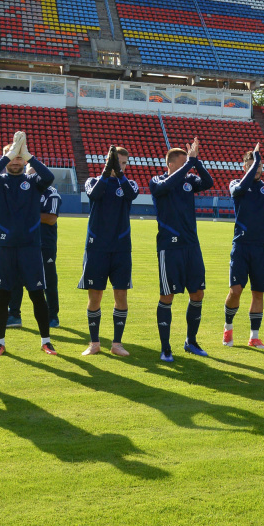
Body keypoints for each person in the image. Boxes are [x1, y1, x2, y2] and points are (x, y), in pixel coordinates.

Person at [0, 133, 57, 356]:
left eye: (19, 158)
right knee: (3, 294)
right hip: (4, 247)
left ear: (23, 161)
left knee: (37, 294)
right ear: (6, 159)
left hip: (30, 247)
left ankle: (45, 340)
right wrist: (9, 154)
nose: (16, 161)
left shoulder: (33, 182)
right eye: (12, 157)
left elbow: (49, 176)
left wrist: (28, 155)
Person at [150, 137, 214, 361]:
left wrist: (196, 162)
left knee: (197, 293)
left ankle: (191, 341)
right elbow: (166, 186)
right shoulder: (157, 181)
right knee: (167, 295)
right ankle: (165, 347)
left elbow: (208, 183)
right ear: (171, 163)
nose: (187, 165)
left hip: (191, 246)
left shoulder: (189, 181)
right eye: (184, 161)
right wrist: (191, 162)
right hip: (170, 247)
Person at [224, 139, 264, 349]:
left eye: (259, 165)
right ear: (244, 166)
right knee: (236, 291)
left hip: (261, 248)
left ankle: (254, 336)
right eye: (252, 165)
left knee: (258, 292)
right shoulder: (236, 184)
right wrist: (257, 157)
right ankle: (228, 328)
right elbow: (241, 187)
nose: (257, 168)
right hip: (241, 246)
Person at [79, 146, 137, 356]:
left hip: (121, 248)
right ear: (106, 161)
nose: (117, 166)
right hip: (96, 248)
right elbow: (94, 195)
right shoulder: (93, 181)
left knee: (120, 294)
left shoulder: (129, 183)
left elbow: (131, 195)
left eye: (122, 163)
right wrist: (107, 171)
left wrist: (119, 174)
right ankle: (94, 343)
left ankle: (117, 344)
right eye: (115, 161)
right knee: (95, 296)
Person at [6, 169, 62, 333]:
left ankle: (53, 316)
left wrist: (27, 215)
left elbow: (51, 218)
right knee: (16, 278)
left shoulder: (51, 194)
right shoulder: (23, 191)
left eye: (34, 175)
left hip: (44, 244)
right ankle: (14, 314)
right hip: (22, 242)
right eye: (29, 175)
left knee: (48, 281)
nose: (31, 178)